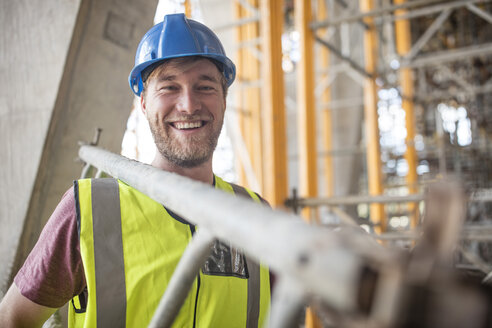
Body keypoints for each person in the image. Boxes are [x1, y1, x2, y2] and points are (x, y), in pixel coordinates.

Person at [0, 13, 271, 327]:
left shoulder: (256, 217)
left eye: (205, 87)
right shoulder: (89, 211)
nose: (188, 105)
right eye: (169, 87)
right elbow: (12, 319)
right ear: (143, 103)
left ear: (224, 98)